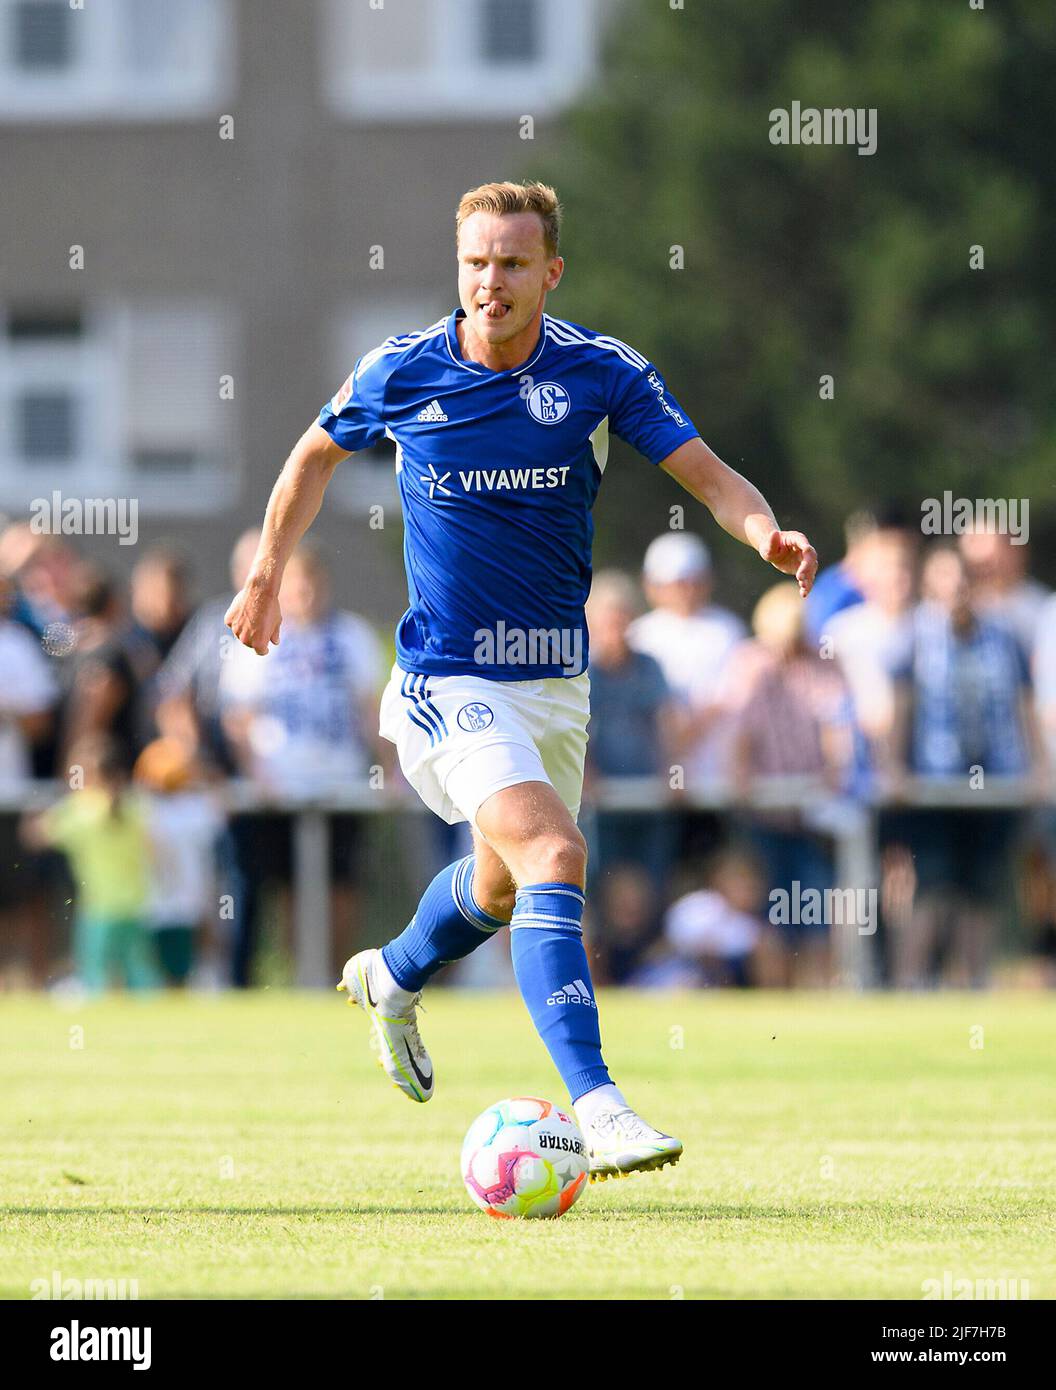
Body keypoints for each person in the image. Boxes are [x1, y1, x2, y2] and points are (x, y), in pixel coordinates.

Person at [224, 180, 817, 1181]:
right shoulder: (404, 369)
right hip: (443, 679)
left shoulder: (598, 372)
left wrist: (763, 529)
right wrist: (266, 571)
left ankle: (393, 975)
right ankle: (601, 1105)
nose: (488, 283)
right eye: (473, 263)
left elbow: (708, 472)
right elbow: (312, 454)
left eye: (509, 264)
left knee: (501, 887)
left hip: (555, 687)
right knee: (555, 849)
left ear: (550, 272)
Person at [220, 543, 383, 978]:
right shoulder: (258, 633)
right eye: (296, 584)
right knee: (289, 886)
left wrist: (390, 770)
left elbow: (371, 711)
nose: (306, 593)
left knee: (342, 884)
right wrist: (257, 775)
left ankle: (339, 976)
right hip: (281, 786)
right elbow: (240, 718)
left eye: (312, 582)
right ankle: (301, 976)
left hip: (341, 783)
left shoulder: (352, 636)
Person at [889, 545, 1042, 988]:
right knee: (934, 883)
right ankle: (911, 981)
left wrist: (1039, 766)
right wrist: (893, 764)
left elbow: (1023, 703)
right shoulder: (914, 635)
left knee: (982, 886)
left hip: (996, 780)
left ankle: (975, 981)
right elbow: (902, 705)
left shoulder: (1005, 635)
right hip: (935, 784)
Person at [20, 734, 158, 993]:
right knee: (140, 977)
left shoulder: (80, 810)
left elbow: (35, 835)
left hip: (98, 909)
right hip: (136, 905)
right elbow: (153, 851)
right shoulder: (135, 806)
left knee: (95, 978)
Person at [132, 737, 225, 988]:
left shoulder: (144, 809)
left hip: (155, 898)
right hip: (188, 896)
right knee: (191, 955)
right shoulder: (196, 809)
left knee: (162, 961)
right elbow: (220, 809)